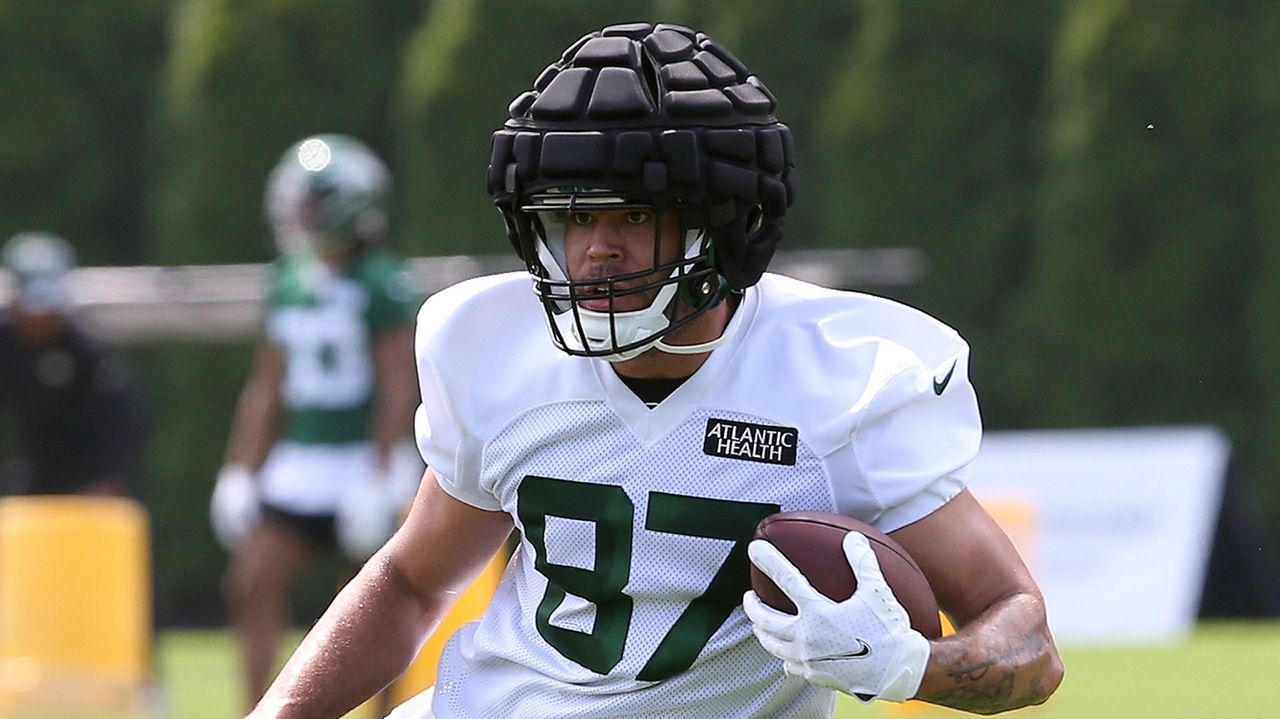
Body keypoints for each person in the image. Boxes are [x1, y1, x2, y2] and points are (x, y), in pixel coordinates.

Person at [249, 23, 1063, 719]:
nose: (597, 247)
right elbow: (410, 581)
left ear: (723, 227)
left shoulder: (841, 380)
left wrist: (906, 667)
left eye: (635, 214)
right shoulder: (496, 348)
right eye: (573, 216)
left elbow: (1024, 633)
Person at [209, 134, 423, 710]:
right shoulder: (286, 279)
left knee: (378, 600)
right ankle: (260, 710)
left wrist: (379, 471)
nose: (298, 213)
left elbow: (396, 382)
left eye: (310, 200)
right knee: (251, 580)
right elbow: (267, 387)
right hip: (302, 461)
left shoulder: (380, 280)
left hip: (361, 460)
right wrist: (239, 468)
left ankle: (386, 712)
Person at [0, 232, 150, 498]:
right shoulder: (6, 342)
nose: (42, 318)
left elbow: (125, 420)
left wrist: (110, 479)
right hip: (35, 470)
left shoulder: (88, 351)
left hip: (92, 475)